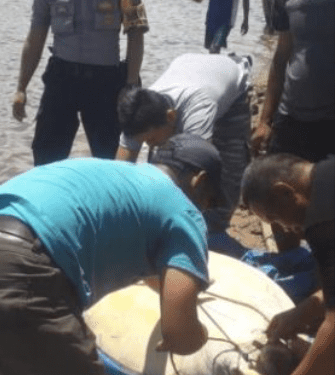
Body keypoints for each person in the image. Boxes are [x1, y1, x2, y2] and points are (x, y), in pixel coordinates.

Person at [0, 133, 223, 375]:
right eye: (207, 204)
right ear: (198, 181)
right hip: (19, 268)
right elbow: (180, 336)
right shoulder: (183, 211)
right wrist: (201, 334)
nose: (203, 212)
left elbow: (155, 278)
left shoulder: (122, 177)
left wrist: (177, 288)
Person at [116, 52, 251, 234]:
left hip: (231, 87)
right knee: (162, 164)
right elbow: (120, 172)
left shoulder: (199, 108)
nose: (150, 145)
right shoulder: (138, 113)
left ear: (171, 116)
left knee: (228, 173)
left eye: (152, 140)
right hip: (189, 67)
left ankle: (216, 231)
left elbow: (201, 171)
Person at [12, 0, 149, 166]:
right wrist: (21, 88)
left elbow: (136, 33)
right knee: (46, 156)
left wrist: (131, 84)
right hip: (62, 77)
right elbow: (35, 35)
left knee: (111, 158)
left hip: (105, 82)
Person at [249, 0, 335, 251]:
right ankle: (290, 258)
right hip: (291, 112)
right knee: (275, 189)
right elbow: (281, 55)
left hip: (331, 119)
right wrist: (265, 120)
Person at [240, 153, 335, 375]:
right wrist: (307, 309)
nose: (285, 228)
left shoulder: (323, 222)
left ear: (285, 192)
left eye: (275, 217)